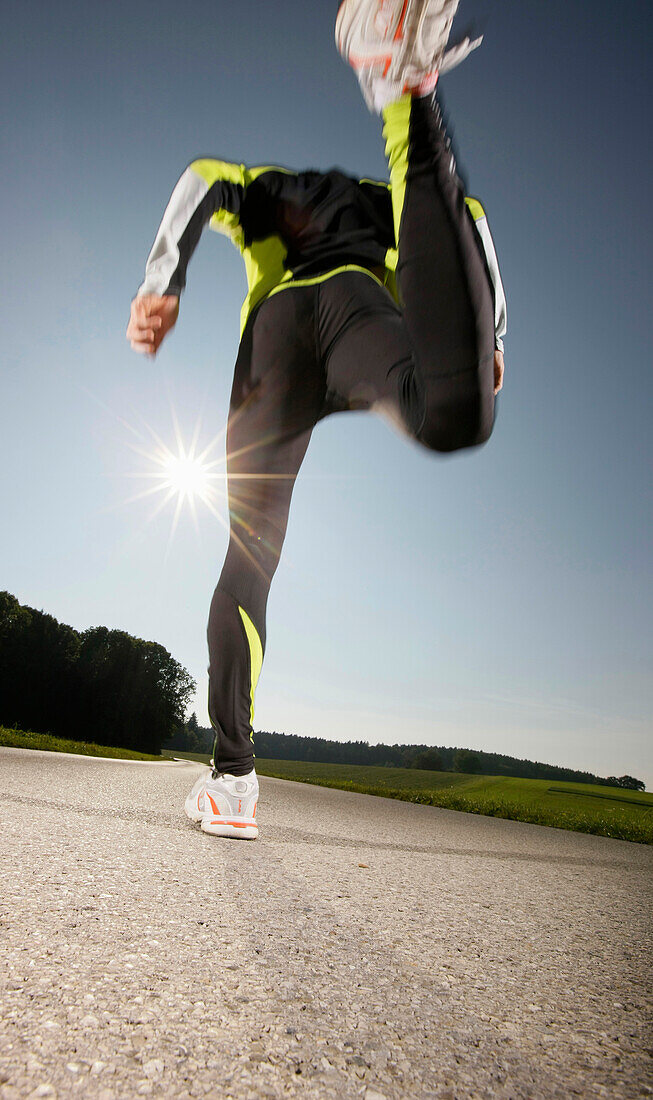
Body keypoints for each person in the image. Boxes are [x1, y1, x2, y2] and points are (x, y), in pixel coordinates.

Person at [126, 0, 507, 840]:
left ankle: (231, 782)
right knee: (452, 415)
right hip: (362, 318)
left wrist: (163, 281)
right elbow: (469, 227)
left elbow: (201, 177)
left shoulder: (269, 189)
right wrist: (493, 336)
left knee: (248, 557)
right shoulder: (394, 208)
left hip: (277, 341)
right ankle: (411, 92)